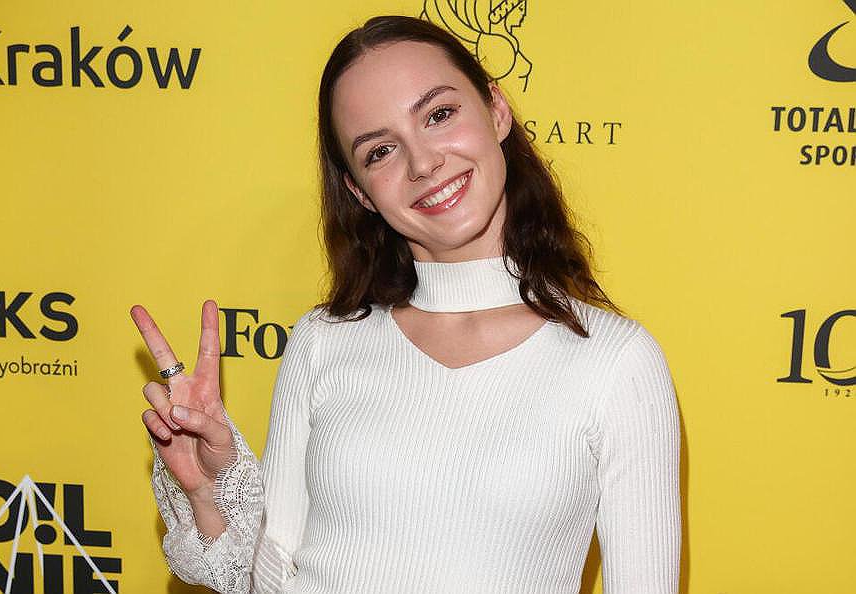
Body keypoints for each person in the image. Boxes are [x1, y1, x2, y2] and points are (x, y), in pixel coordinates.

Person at [130, 14, 681, 594]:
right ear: (359, 191)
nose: (422, 164)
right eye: (380, 151)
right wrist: (210, 490)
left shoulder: (615, 361)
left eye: (439, 115)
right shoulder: (323, 341)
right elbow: (270, 577)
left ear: (496, 110)